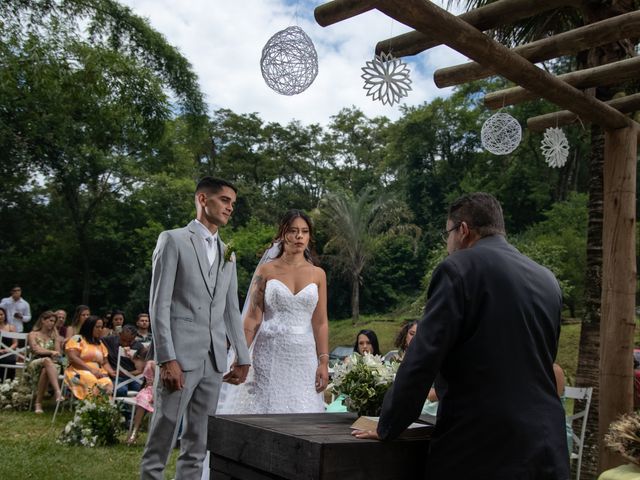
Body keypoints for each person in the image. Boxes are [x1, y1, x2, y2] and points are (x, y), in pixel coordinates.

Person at [353, 192, 569, 479]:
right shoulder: (547, 279)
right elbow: (544, 359)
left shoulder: (458, 269)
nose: (447, 245)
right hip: (546, 445)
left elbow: (423, 358)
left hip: (482, 447)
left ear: (463, 230)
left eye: (447, 235)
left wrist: (388, 425)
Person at [140, 177, 251, 480]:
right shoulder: (173, 240)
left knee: (198, 444)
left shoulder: (229, 252)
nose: (230, 208)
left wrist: (242, 356)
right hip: (180, 358)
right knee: (162, 438)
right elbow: (159, 304)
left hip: (214, 361)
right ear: (203, 199)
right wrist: (166, 358)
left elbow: (230, 309)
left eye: (233, 203)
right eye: (225, 200)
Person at [218, 209, 329, 415]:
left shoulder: (318, 274)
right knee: (267, 407)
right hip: (270, 351)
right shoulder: (266, 271)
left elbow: (320, 322)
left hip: (304, 355)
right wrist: (241, 356)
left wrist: (323, 361)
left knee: (303, 409)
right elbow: (252, 318)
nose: (299, 236)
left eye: (304, 232)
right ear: (282, 234)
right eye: (293, 231)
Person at [64, 315, 114, 399]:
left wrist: (111, 372)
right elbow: (73, 357)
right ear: (89, 327)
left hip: (98, 372)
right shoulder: (78, 339)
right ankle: (90, 408)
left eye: (101, 327)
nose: (100, 329)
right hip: (78, 370)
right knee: (91, 380)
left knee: (107, 383)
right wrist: (91, 370)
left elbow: (105, 362)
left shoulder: (99, 343)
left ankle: (104, 409)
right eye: (97, 327)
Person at [27, 311, 64, 413]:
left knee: (45, 370)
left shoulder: (55, 337)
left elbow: (58, 354)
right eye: (50, 320)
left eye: (54, 321)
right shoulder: (32, 334)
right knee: (47, 360)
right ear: (43, 320)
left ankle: (38, 404)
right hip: (35, 362)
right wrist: (50, 352)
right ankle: (57, 391)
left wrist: (54, 354)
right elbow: (35, 350)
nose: (52, 323)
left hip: (52, 365)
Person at [102, 324, 143, 396]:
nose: (125, 343)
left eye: (129, 341)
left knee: (141, 389)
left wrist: (127, 373)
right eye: (123, 340)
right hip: (116, 376)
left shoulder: (139, 346)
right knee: (120, 390)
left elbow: (141, 369)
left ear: (134, 338)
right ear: (120, 334)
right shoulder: (109, 340)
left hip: (134, 376)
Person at [127, 346, 156, 445]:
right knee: (142, 398)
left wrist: (154, 394)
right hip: (147, 390)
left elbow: (158, 380)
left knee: (143, 399)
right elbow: (136, 360)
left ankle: (135, 431)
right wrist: (128, 353)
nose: (135, 366)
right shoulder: (146, 363)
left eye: (135, 363)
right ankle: (135, 430)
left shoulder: (151, 364)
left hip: (154, 391)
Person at [0, 306, 18, 380]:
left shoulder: (11, 327)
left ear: (5, 315)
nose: (0, 316)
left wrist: (8, 350)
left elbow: (15, 343)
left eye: (1, 314)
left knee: (9, 359)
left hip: (8, 352)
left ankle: (8, 383)